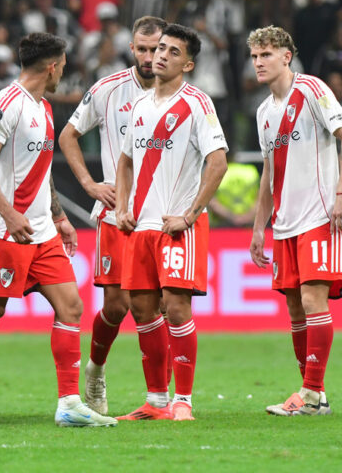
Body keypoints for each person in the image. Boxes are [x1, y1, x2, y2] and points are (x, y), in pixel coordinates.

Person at [0, 32, 117, 430]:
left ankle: (69, 403)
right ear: (52, 66)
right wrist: (9, 214)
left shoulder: (42, 106)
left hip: (42, 231)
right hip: (4, 231)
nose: (63, 72)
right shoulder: (7, 103)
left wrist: (59, 217)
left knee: (71, 306)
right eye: (63, 66)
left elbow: (40, 171)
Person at [114, 23, 228, 422]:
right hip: (141, 226)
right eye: (160, 48)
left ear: (188, 64)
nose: (160, 55)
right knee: (142, 310)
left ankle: (184, 400)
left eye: (172, 52)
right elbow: (125, 161)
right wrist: (121, 207)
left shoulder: (197, 103)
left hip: (177, 225)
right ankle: (157, 400)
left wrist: (190, 215)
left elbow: (218, 162)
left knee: (177, 308)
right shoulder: (139, 105)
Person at [58, 15, 166, 415]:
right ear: (132, 48)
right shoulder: (107, 90)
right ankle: (96, 369)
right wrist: (90, 184)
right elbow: (68, 135)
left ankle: (161, 396)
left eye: (156, 49)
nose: (149, 57)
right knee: (118, 306)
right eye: (143, 49)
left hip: (163, 214)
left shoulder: (185, 96)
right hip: (117, 214)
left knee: (157, 307)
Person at [249, 26, 341, 416]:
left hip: (319, 214)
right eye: (255, 56)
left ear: (286, 56)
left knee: (312, 300)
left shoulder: (312, 89)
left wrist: (340, 194)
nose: (258, 63)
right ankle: (314, 396)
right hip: (284, 222)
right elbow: (268, 173)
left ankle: (311, 392)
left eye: (266, 55)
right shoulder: (263, 112)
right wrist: (259, 227)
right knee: (295, 308)